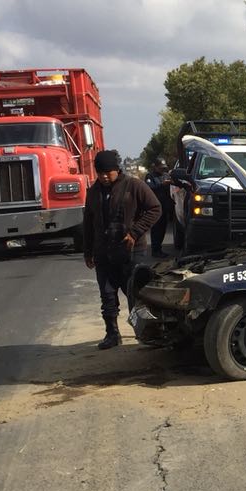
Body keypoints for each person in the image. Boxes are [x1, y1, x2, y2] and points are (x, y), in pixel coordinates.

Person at [83, 149, 161, 349]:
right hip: (104, 253)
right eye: (100, 173)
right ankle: (112, 334)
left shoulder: (134, 186)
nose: (104, 176)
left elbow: (155, 209)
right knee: (107, 295)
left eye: (108, 172)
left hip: (131, 251)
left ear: (117, 170)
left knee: (137, 295)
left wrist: (135, 232)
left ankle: (145, 332)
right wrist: (88, 251)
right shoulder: (93, 192)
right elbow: (88, 223)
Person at [145, 159, 173, 257]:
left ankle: (159, 249)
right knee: (156, 229)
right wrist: (161, 184)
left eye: (163, 168)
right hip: (155, 207)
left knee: (163, 229)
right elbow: (149, 188)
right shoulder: (150, 176)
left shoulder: (166, 176)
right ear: (155, 167)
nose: (162, 170)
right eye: (160, 168)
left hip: (165, 206)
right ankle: (155, 250)